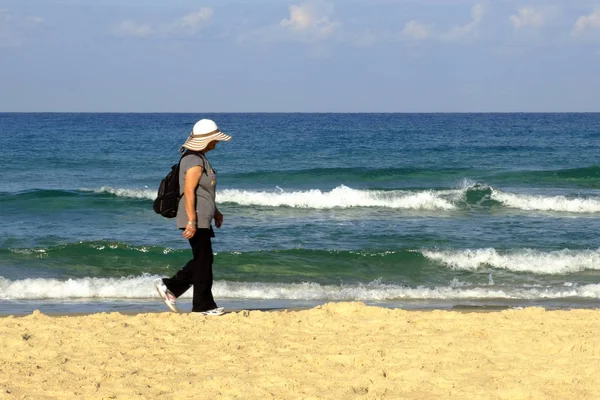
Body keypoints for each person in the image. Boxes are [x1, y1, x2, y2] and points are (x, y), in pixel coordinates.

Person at [155, 119, 231, 315]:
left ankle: (174, 289)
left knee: (203, 260)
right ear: (206, 141)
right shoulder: (194, 160)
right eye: (214, 139)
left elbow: (203, 192)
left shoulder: (200, 158)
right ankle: (200, 304)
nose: (217, 142)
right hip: (194, 216)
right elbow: (189, 191)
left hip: (202, 216)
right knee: (203, 261)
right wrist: (191, 221)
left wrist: (216, 211)